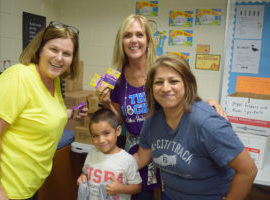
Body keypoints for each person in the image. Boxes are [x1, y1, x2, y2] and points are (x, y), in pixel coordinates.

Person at [96, 14, 227, 200]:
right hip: (137, 148)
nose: (134, 40)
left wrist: (207, 104)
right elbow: (119, 120)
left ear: (148, 40)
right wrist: (108, 103)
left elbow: (182, 97)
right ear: (121, 41)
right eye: (127, 35)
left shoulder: (161, 68)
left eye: (139, 35)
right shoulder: (116, 78)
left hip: (169, 146)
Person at [0, 21, 87, 200]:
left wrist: (69, 113)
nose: (59, 58)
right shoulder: (19, 76)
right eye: (53, 49)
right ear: (40, 49)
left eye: (66, 53)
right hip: (6, 189)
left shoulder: (54, 80)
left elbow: (38, 113)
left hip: (28, 185)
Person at [134, 54, 258, 200]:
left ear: (187, 84)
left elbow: (248, 170)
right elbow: (141, 158)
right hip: (170, 195)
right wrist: (109, 162)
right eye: (158, 82)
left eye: (174, 81)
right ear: (151, 88)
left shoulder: (207, 123)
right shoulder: (152, 121)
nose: (166, 88)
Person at [77, 108, 142, 200]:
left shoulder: (127, 160)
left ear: (118, 131)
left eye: (106, 133)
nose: (101, 140)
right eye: (95, 136)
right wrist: (83, 177)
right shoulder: (92, 153)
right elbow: (85, 173)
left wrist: (121, 188)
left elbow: (137, 187)